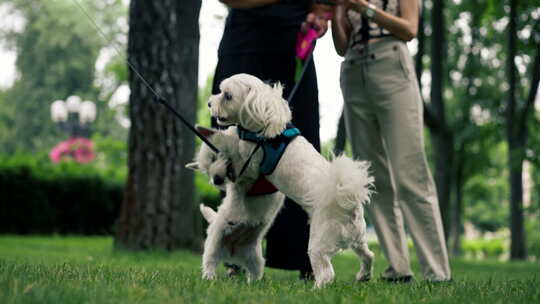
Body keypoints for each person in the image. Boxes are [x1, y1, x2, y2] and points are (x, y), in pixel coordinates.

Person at [332, 0, 452, 282]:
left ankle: (437, 272)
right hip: (352, 70)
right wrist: (339, 10)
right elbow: (341, 45)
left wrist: (363, 8)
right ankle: (398, 267)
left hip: (391, 66)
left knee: (410, 174)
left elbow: (409, 29)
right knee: (374, 177)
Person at [211, 0, 332, 279]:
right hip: (244, 42)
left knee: (301, 147)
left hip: (293, 46)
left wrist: (318, 16)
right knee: (235, 151)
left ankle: (310, 258)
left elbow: (321, 5)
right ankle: (236, 256)